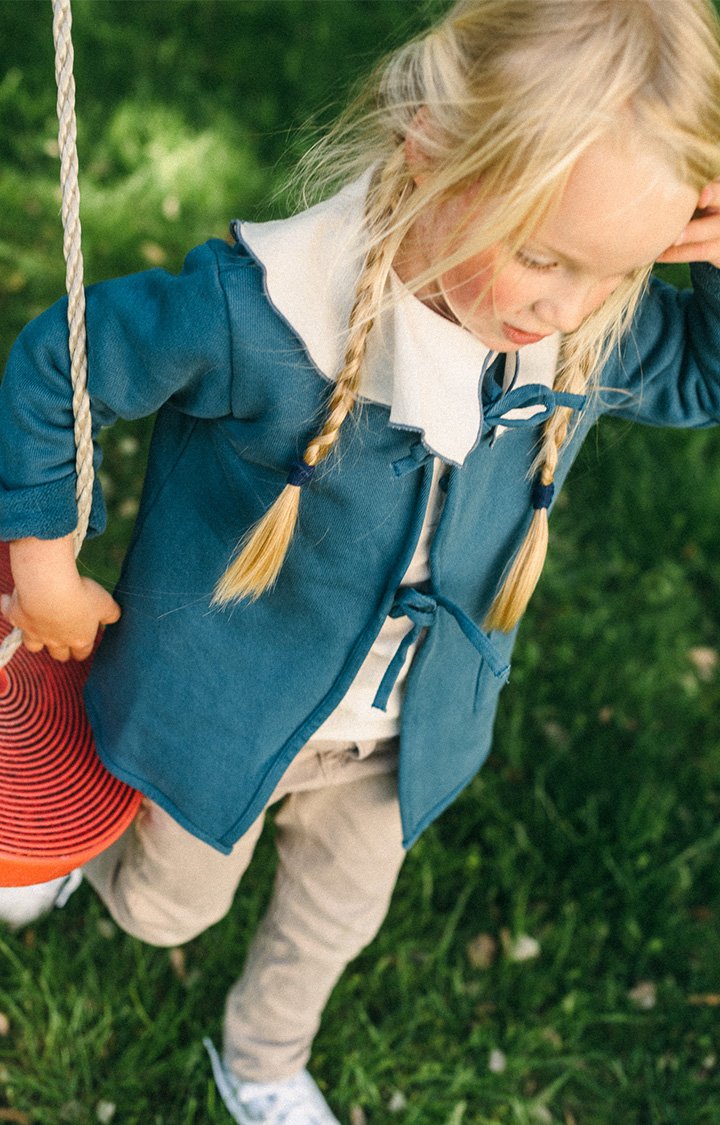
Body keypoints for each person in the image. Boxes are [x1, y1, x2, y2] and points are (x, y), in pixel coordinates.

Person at [2, 0, 720, 1120]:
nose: (569, 306)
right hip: (225, 704)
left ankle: (265, 1061)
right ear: (430, 149)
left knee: (338, 917)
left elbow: (707, 369)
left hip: (402, 734)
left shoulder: (579, 325)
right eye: (543, 256)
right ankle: (67, 829)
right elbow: (63, 364)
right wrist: (44, 560)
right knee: (162, 910)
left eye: (615, 270)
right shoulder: (265, 316)